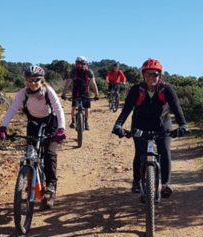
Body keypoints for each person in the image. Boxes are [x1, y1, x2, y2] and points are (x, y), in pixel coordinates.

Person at [112, 59, 188, 197]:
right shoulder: (137, 89)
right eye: (148, 74)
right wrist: (118, 125)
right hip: (140, 123)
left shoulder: (166, 89)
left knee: (164, 150)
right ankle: (136, 181)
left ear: (160, 76)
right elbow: (127, 108)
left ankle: (165, 184)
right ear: (143, 75)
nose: (151, 78)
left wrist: (183, 125)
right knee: (140, 153)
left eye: (155, 75)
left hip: (162, 123)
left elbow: (176, 108)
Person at [0, 65, 66, 195]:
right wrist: (3, 127)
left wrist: (62, 128)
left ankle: (51, 182)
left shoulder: (47, 91)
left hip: (50, 121)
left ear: (42, 80)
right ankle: (31, 181)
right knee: (30, 152)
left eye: (36, 80)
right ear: (26, 81)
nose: (33, 83)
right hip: (33, 122)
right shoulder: (23, 93)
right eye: (29, 80)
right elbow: (12, 109)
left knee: (49, 152)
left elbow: (58, 108)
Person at [61, 56, 99, 130]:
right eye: (77, 64)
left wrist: (96, 94)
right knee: (74, 106)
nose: (78, 65)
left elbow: (93, 83)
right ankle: (73, 121)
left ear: (84, 64)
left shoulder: (89, 72)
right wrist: (63, 94)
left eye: (80, 64)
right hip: (76, 90)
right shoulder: (74, 71)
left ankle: (86, 122)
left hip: (85, 90)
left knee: (86, 107)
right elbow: (68, 83)